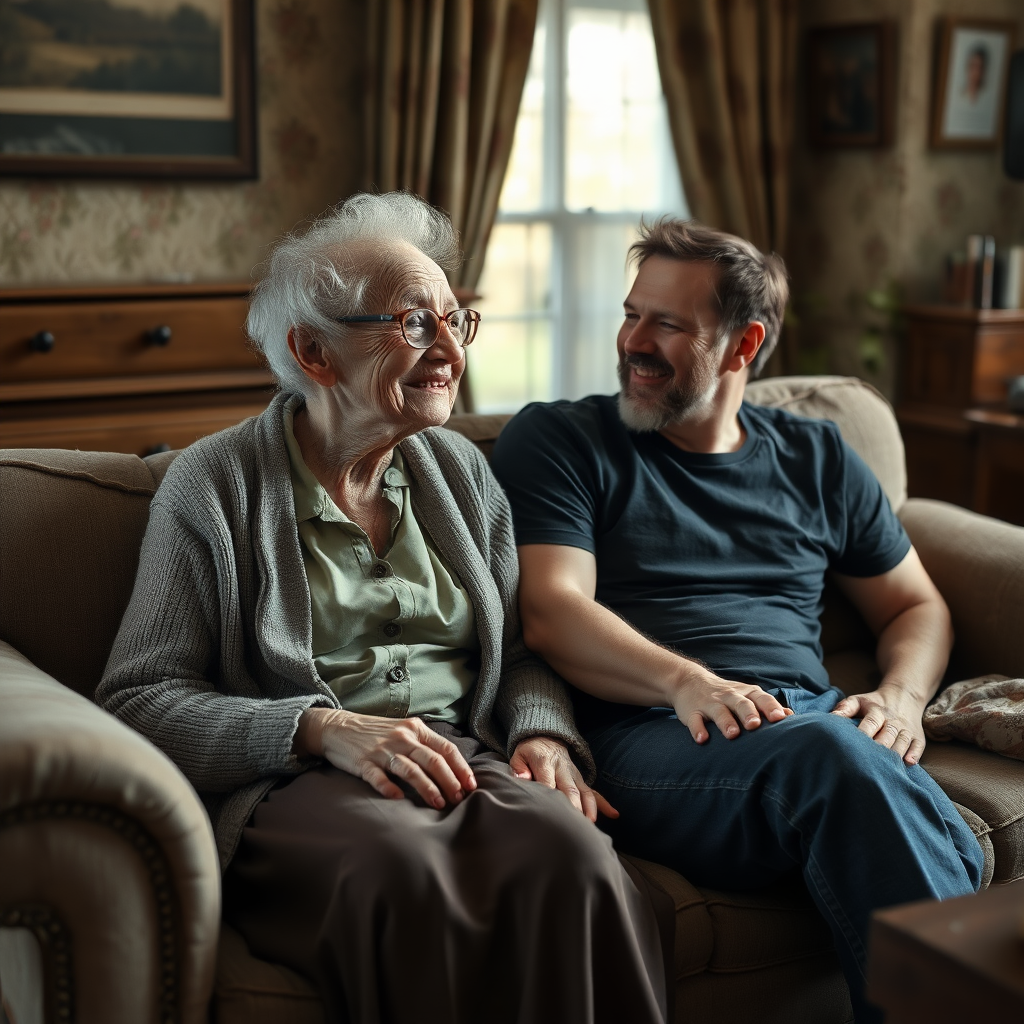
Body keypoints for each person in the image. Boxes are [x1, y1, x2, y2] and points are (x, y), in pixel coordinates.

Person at [97, 192, 669, 1024]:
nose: (448, 350)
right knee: (405, 875)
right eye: (412, 325)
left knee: (577, 857)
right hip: (301, 784)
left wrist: (543, 730)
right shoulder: (212, 488)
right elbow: (138, 699)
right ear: (313, 353)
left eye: (455, 321)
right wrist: (320, 729)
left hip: (462, 756)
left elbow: (523, 653)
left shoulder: (462, 473)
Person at [489, 218, 984, 1024]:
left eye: (668, 324)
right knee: (858, 775)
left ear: (743, 343)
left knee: (866, 773)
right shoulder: (563, 440)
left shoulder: (819, 457)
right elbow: (551, 610)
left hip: (799, 723)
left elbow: (914, 604)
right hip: (650, 734)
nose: (633, 342)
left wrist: (900, 697)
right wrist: (685, 680)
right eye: (631, 312)